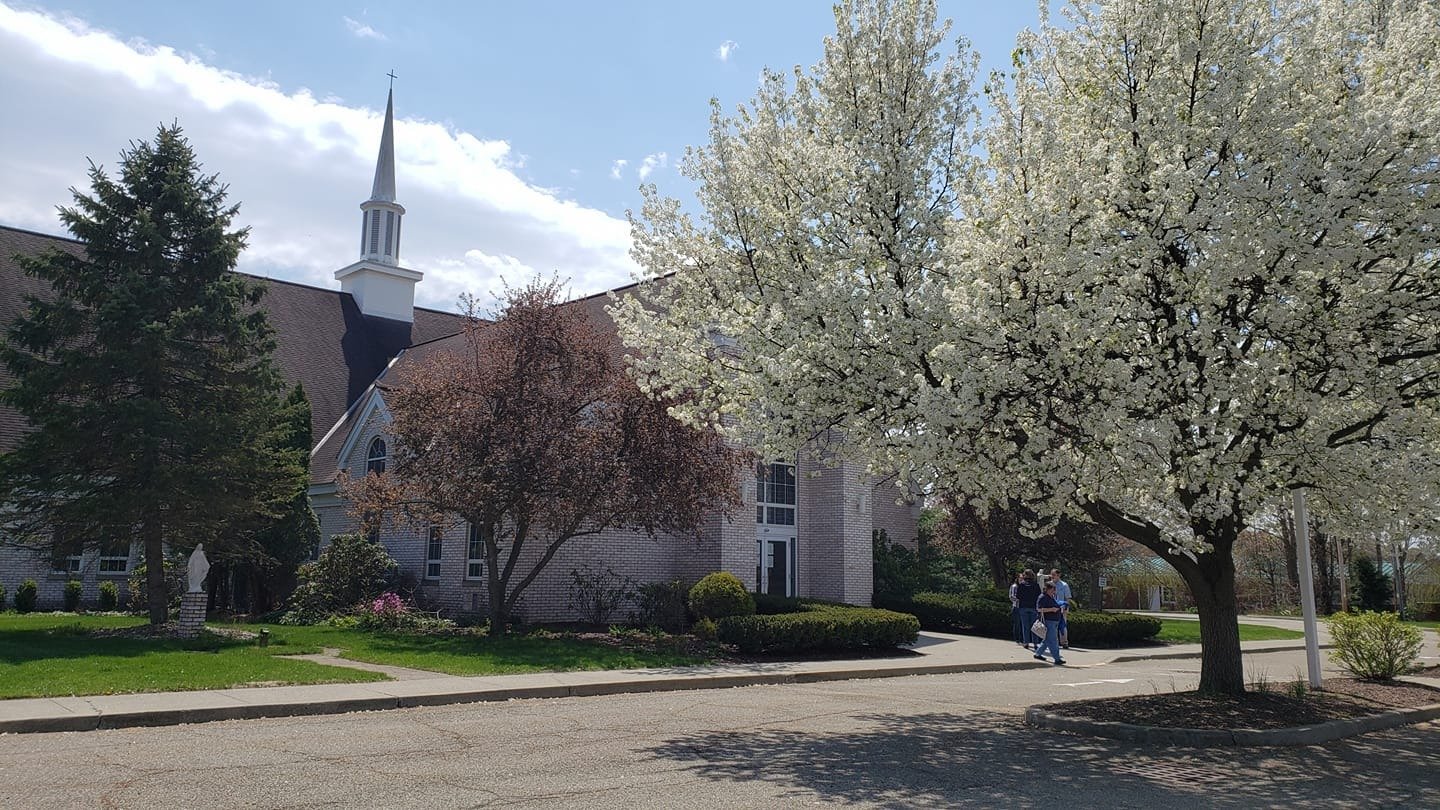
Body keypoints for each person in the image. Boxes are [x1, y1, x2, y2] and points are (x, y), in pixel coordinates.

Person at [1034, 582, 1066, 665]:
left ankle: (1038, 654)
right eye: (1052, 590)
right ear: (1047, 589)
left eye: (1054, 590)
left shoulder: (1051, 596)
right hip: (1048, 621)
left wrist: (1060, 607)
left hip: (1054, 621)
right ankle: (1057, 658)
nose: (1053, 592)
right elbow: (1039, 609)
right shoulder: (1043, 597)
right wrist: (1051, 609)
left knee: (1047, 639)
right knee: (1053, 640)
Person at [1015, 570, 1042, 650]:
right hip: (1033, 607)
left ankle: (1026, 642)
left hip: (1023, 607)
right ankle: (1035, 643)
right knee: (1034, 626)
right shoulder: (1036, 585)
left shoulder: (1021, 585)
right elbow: (1039, 596)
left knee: (1025, 626)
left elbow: (1018, 596)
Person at [1050, 568, 1072, 649]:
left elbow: (1068, 598)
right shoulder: (1049, 584)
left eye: (1054, 575)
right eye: (1051, 574)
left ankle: (1064, 642)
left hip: (1061, 609)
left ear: (1058, 575)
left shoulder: (1064, 585)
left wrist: (1066, 608)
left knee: (1062, 626)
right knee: (1052, 626)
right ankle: (1053, 642)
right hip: (1051, 608)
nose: (1052, 576)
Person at [1008, 573, 1022, 646]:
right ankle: (1017, 639)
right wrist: (1020, 600)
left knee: (1022, 624)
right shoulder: (1014, 586)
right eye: (1021, 578)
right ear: (1017, 578)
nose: (1022, 580)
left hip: (1023, 608)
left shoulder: (1023, 586)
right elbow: (1012, 597)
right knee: (1017, 624)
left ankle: (1022, 639)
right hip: (1016, 607)